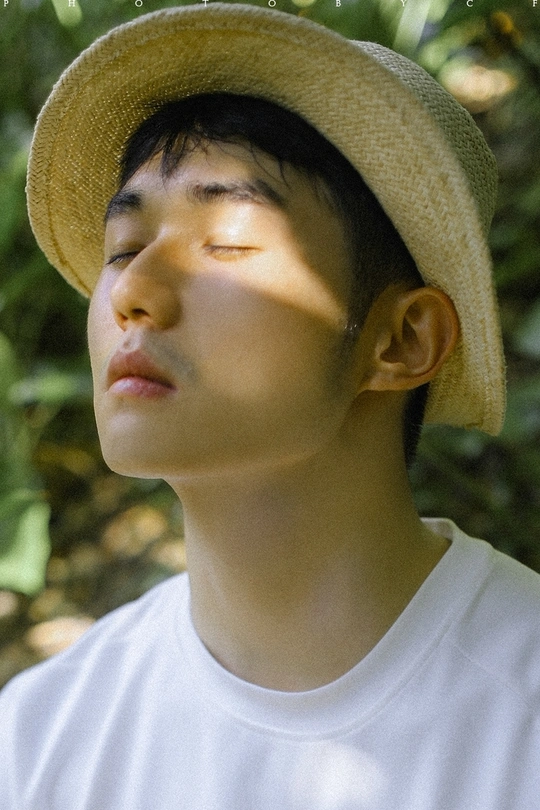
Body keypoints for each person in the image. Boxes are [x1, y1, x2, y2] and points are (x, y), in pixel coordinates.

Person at [1, 4, 539, 808]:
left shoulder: (520, 714)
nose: (132, 292)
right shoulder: (38, 737)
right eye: (124, 248)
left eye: (226, 242)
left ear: (400, 340)